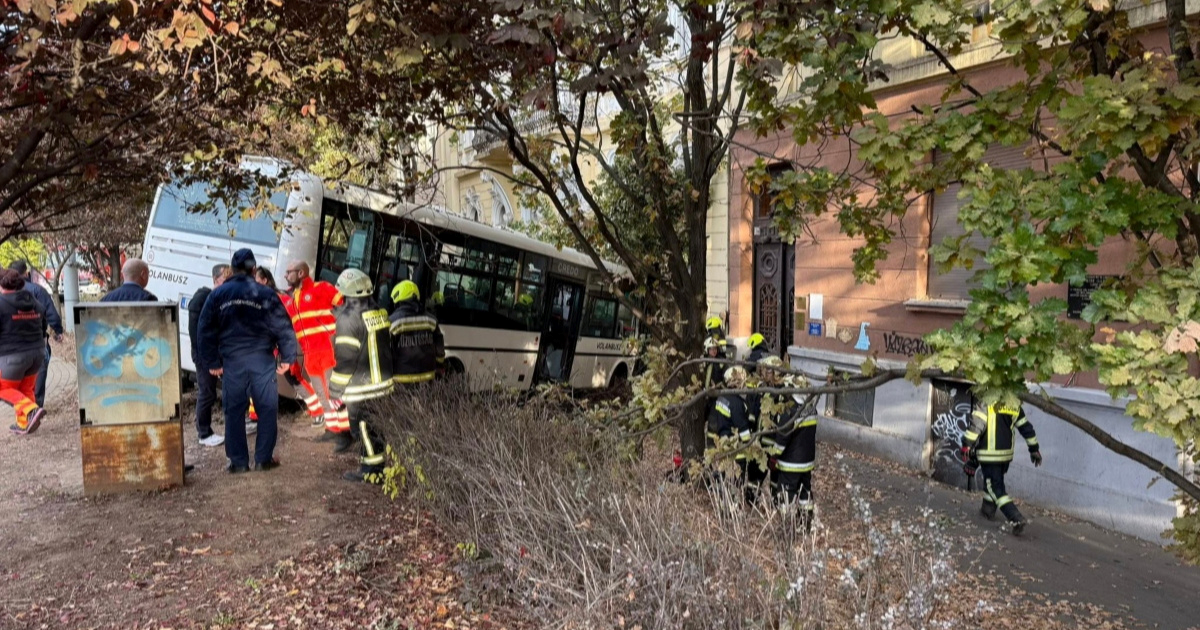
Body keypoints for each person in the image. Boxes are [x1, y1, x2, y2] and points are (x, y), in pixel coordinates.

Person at [197, 248, 299, 473]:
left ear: (232, 270)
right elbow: (283, 326)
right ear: (254, 270)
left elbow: (204, 330)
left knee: (233, 411)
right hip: (262, 360)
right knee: (267, 409)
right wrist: (288, 356)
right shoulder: (265, 294)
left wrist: (212, 362)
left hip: (232, 361)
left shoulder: (218, 295)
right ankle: (263, 459)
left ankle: (238, 462)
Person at [328, 268, 395, 482]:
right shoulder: (380, 313)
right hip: (383, 385)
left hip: (361, 388)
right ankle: (378, 468)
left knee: (363, 430)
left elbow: (346, 360)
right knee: (376, 429)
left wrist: (335, 390)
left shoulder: (347, 321)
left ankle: (371, 473)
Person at [961, 401, 1042, 535]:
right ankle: (987, 512)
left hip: (989, 455)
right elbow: (1025, 427)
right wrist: (1034, 449)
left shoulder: (986, 402)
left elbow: (977, 426)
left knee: (995, 488)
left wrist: (967, 444)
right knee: (992, 483)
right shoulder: (1013, 403)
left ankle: (1016, 518)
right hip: (1005, 456)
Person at [756, 355, 817, 529]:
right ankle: (805, 524)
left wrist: (774, 455)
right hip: (807, 462)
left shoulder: (788, 410)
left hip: (790, 463)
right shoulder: (811, 407)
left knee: (786, 495)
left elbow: (783, 437)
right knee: (805, 493)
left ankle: (786, 529)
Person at [284, 261, 342, 436]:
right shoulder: (292, 299)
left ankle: (343, 431)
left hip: (326, 351)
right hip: (310, 355)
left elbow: (346, 306)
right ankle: (333, 430)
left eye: (289, 272)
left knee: (333, 393)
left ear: (301, 273)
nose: (286, 276)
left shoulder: (322, 288)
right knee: (322, 395)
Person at [8, 261, 63, 408]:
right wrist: (58, 331)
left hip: (14, 346)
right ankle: (36, 407)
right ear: (26, 273)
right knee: (38, 374)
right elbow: (50, 313)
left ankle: (24, 409)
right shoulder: (37, 291)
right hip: (38, 341)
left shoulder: (6, 294)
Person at [0, 269, 48, 435]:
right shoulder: (33, 301)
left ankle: (31, 410)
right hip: (37, 353)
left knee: (3, 389)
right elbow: (43, 321)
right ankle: (24, 423)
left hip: (12, 356)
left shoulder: (1, 303)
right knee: (26, 389)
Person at [187, 264, 230, 447]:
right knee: (207, 393)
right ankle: (203, 433)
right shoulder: (202, 299)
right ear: (215, 280)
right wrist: (210, 361)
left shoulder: (223, 300)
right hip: (205, 357)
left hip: (219, 355)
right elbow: (198, 335)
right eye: (225, 280)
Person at [389, 280, 444, 386]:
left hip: (401, 379)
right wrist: (439, 364)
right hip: (427, 378)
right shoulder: (431, 320)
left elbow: (386, 352)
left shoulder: (392, 322)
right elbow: (440, 349)